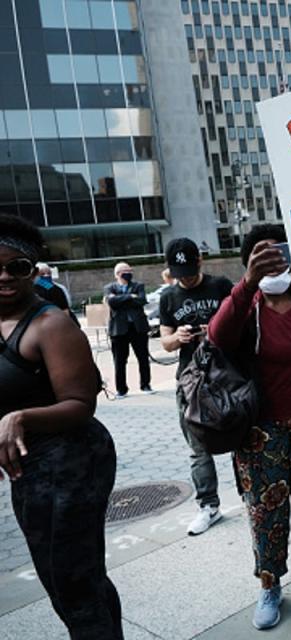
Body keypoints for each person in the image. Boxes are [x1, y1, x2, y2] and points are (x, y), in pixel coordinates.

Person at [207, 224, 291, 631]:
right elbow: (218, 337)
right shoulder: (244, 304)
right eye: (262, 255)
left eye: (279, 253)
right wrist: (248, 283)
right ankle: (270, 584)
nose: (273, 261)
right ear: (248, 261)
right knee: (266, 513)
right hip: (259, 433)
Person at [0, 213, 122, 638]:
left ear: (34, 270)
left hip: (74, 460)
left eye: (17, 267)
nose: (5, 276)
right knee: (66, 577)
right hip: (28, 468)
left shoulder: (51, 324)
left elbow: (80, 404)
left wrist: (19, 418)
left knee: (73, 580)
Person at [158, 238, 233, 536]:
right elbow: (165, 342)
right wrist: (179, 337)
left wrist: (214, 330)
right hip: (191, 381)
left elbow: (243, 322)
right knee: (197, 446)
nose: (185, 278)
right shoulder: (168, 297)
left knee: (242, 436)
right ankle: (208, 506)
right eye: (179, 273)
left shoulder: (221, 286)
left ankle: (251, 495)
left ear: (200, 261)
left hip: (228, 376)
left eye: (189, 271)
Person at [104, 262, 152, 398]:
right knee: (119, 361)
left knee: (143, 357)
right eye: (125, 271)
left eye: (130, 270)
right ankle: (121, 389)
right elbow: (112, 303)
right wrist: (131, 297)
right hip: (119, 329)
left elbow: (142, 300)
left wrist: (120, 300)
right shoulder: (109, 288)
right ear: (117, 274)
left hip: (138, 327)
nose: (129, 273)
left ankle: (146, 384)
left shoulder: (138, 286)